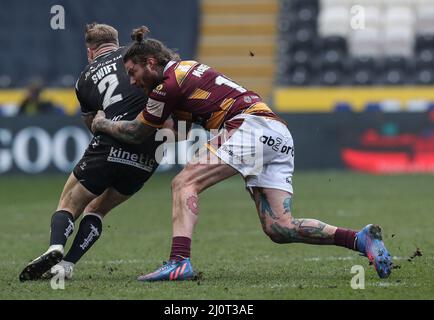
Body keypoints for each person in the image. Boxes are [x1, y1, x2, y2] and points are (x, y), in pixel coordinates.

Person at [91, 26, 393, 281]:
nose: (132, 81)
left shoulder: (167, 85)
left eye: (133, 73)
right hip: (275, 132)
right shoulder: (185, 73)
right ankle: (359, 238)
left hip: (248, 127)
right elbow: (178, 131)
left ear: (152, 63)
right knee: (279, 228)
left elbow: (137, 131)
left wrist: (103, 124)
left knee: (184, 183)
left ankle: (179, 261)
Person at [19, 23, 164, 281]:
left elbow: (92, 125)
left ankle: (55, 247)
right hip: (152, 149)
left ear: (89, 52)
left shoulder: (84, 77)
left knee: (68, 203)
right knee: (97, 210)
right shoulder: (136, 60)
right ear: (117, 42)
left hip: (111, 142)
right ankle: (67, 265)